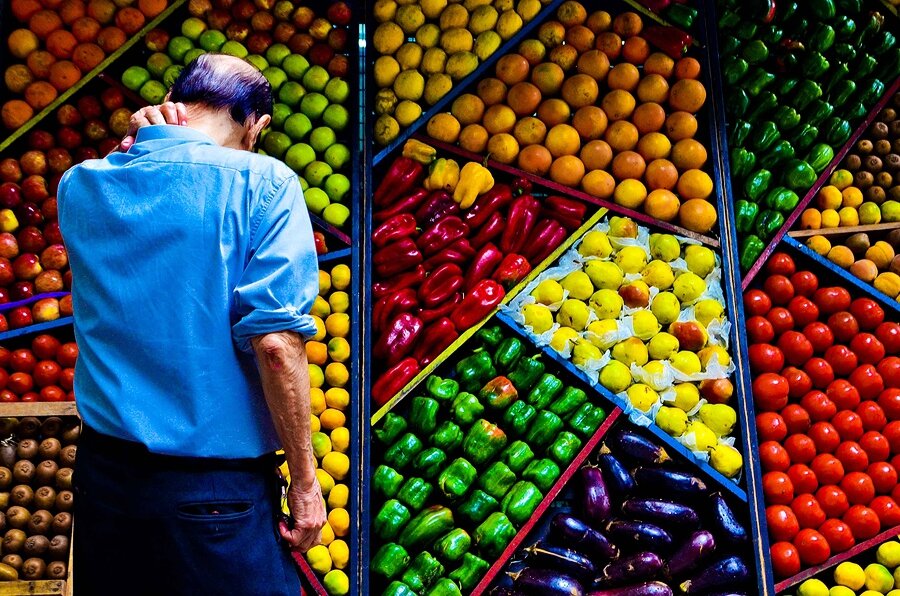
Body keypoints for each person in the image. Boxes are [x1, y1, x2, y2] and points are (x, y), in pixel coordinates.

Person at [57, 53, 326, 595]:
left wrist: (139, 138)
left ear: (171, 104)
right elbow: (275, 344)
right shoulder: (266, 183)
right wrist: (304, 481)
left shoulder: (79, 184)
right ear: (257, 124)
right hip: (214, 496)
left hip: (105, 482)